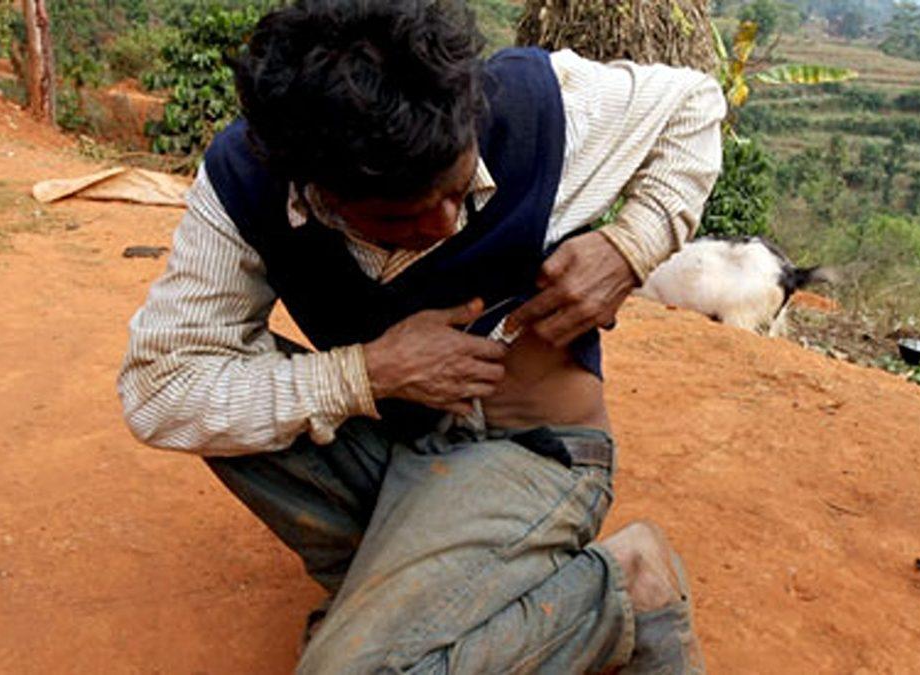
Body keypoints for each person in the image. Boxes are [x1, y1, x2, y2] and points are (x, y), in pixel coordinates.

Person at [118, 0, 724, 672]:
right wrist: (364, 374)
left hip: (530, 450)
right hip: (395, 437)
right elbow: (159, 387)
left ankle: (622, 589)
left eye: (459, 189)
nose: (443, 223)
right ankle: (412, 605)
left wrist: (634, 243)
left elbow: (693, 106)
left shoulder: (529, 105)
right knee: (210, 397)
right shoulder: (248, 179)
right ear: (319, 192)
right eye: (399, 216)